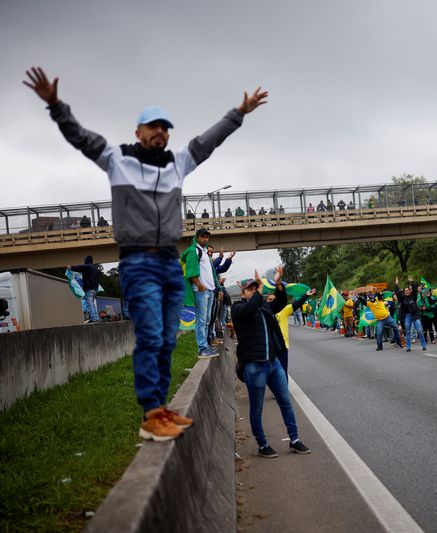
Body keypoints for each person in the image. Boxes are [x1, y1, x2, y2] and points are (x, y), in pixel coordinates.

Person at [25, 65, 268, 441]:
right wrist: (56, 105)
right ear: (138, 132)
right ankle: (151, 413)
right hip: (138, 263)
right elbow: (82, 138)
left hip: (169, 263)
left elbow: (207, 142)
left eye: (165, 127)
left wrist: (239, 113)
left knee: (169, 339)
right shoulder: (117, 159)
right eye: (153, 126)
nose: (160, 132)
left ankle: (162, 409)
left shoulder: (177, 164)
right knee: (151, 336)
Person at [232, 268, 311, 457]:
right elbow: (249, 307)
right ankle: (262, 445)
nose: (253, 290)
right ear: (242, 293)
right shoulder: (238, 309)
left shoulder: (264, 307)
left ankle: (294, 440)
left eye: (255, 287)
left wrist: (278, 284)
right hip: (254, 366)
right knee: (257, 408)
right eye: (249, 289)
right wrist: (259, 291)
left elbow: (282, 303)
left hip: (273, 364)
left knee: (286, 402)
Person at [181, 229, 220, 358]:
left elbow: (211, 272)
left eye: (207, 237)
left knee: (207, 320)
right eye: (203, 237)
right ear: (197, 237)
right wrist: (199, 285)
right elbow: (191, 272)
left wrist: (213, 288)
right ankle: (202, 349)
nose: (205, 239)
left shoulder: (204, 251)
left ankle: (206, 345)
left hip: (209, 291)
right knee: (201, 320)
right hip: (201, 291)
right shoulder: (194, 251)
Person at [395, 276, 426, 352]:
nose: (407, 291)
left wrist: (412, 282)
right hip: (407, 316)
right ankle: (408, 347)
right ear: (404, 292)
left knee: (419, 330)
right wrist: (396, 285)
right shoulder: (402, 299)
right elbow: (397, 293)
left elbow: (415, 290)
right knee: (408, 331)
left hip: (415, 316)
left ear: (410, 291)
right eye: (405, 291)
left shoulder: (413, 297)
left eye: (408, 290)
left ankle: (424, 345)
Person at [70, 255, 100, 323]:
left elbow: (78, 268)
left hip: (89, 288)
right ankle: (96, 318)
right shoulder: (96, 268)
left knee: (89, 303)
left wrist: (71, 267)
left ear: (86, 260)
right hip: (95, 288)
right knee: (92, 303)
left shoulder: (87, 266)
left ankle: (93, 318)